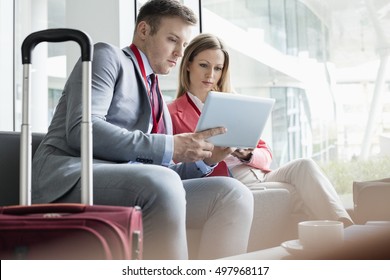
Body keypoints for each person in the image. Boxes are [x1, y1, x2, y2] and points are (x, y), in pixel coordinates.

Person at [32, 0, 253, 260]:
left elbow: (165, 171)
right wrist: (170, 145)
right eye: (172, 40)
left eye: (183, 45)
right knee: (163, 182)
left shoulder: (156, 93)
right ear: (144, 31)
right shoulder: (106, 56)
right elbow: (83, 129)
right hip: (71, 176)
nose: (179, 53)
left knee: (233, 193)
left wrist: (207, 161)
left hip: (136, 183)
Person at [168, 33, 354, 228]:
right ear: (188, 64)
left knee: (304, 165)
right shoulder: (172, 112)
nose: (211, 75)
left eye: (218, 68)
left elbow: (266, 153)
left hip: (258, 173)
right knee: (297, 194)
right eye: (204, 65)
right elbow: (176, 167)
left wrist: (248, 154)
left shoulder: (234, 102)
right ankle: (339, 233)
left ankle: (345, 226)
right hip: (230, 182)